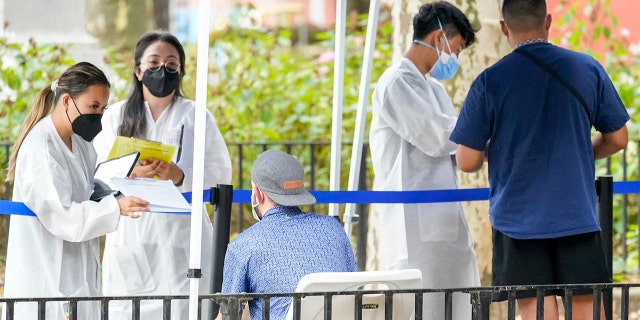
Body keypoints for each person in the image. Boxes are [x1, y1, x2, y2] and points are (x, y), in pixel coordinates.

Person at [450, 0, 629, 319]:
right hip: (576, 216)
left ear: (504, 28)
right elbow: (618, 138)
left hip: (516, 222)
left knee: (537, 309)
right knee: (587, 306)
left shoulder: (490, 81)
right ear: (548, 21)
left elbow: (466, 161)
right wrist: (578, 152)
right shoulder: (586, 68)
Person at [92, 30, 232, 319]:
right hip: (132, 230)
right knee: (129, 308)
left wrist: (180, 175)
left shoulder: (196, 117)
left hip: (181, 235)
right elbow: (96, 173)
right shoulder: (115, 116)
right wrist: (131, 170)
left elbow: (221, 172)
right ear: (138, 71)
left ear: (181, 71)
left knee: (184, 306)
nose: (162, 70)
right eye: (154, 62)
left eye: (171, 64)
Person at [2, 62, 149, 320]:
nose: (98, 115)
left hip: (76, 273)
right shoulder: (42, 147)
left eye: (102, 108)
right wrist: (115, 207)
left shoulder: (79, 142)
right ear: (67, 101)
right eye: (93, 107)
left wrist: (119, 183)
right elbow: (62, 215)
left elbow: (89, 187)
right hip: (46, 276)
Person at [369, 2, 480, 319]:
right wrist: (482, 131)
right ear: (438, 38)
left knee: (458, 303)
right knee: (421, 306)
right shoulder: (396, 83)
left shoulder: (434, 89)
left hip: (444, 220)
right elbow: (438, 136)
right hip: (413, 226)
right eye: (455, 49)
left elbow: (458, 149)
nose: (454, 59)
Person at [220, 149, 357, 319]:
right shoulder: (334, 228)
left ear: (258, 194)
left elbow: (228, 315)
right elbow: (353, 287)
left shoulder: (244, 245)